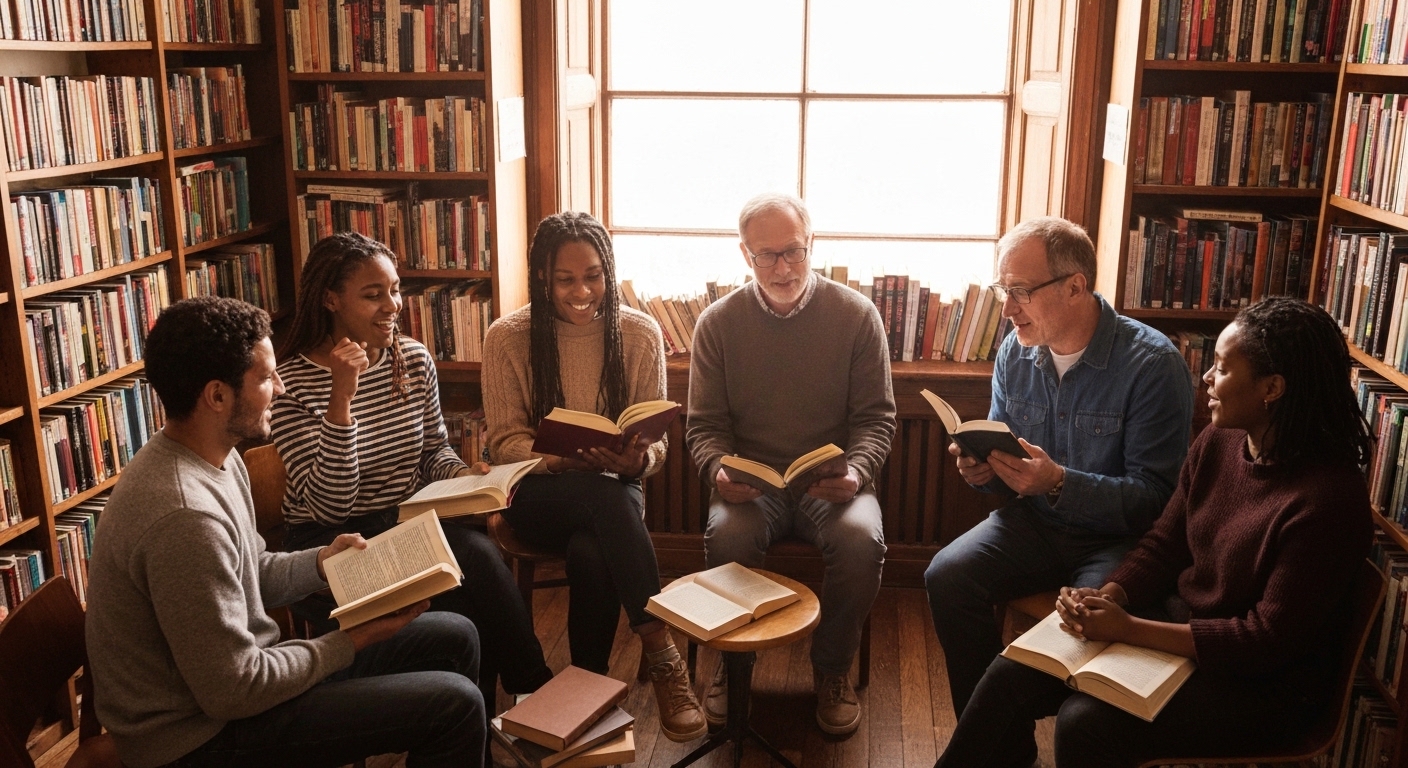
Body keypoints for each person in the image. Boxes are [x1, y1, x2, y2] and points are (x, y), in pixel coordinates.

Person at [936, 296, 1376, 767]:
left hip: (1263, 686)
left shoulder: (1328, 501)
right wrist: (1107, 596)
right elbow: (1165, 544)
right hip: (1179, 630)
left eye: (1224, 368)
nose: (1207, 378)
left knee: (1084, 722)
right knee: (1013, 672)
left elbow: (1264, 641)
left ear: (1272, 387)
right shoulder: (1219, 441)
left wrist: (1129, 628)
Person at [85, 297, 486, 768]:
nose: (280, 388)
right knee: (455, 705)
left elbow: (249, 572)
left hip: (238, 688)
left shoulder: (212, 455)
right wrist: (351, 641)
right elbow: (234, 691)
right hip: (197, 738)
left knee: (456, 634)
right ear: (217, 396)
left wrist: (321, 562)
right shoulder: (185, 517)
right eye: (266, 377)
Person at [924, 217, 1194, 717]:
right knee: (947, 576)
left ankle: (1008, 732)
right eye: (1003, 290)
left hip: (1118, 540)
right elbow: (1010, 461)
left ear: (1075, 287)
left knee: (1086, 617)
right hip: (1035, 523)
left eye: (1021, 292)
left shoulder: (1153, 365)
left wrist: (1060, 483)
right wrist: (983, 471)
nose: (1007, 309)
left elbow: (1158, 501)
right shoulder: (1015, 351)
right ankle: (995, 741)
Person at [270, 231, 553, 696]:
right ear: (330, 299)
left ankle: (526, 698)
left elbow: (431, 451)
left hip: (402, 524)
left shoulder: (412, 359)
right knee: (464, 602)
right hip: (332, 541)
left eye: (395, 290)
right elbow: (329, 505)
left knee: (479, 560)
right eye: (373, 295)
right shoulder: (290, 385)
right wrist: (341, 398)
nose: (393, 306)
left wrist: (462, 476)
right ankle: (523, 700)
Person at [480, 211, 705, 742]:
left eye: (593, 276)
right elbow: (504, 443)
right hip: (535, 492)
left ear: (609, 271)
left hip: (615, 489)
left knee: (594, 546)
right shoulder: (507, 337)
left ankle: (588, 690)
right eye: (566, 279)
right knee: (604, 500)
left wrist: (638, 461)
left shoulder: (639, 333)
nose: (582, 292)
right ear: (542, 276)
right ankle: (660, 648)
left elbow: (656, 441)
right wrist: (559, 460)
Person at [685, 192, 895, 736]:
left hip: (832, 483)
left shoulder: (856, 315)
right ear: (744, 254)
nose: (782, 268)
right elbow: (704, 427)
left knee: (861, 541)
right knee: (728, 537)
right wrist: (718, 471)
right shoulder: (718, 323)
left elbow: (876, 420)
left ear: (812, 245)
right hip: (753, 488)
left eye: (794, 252)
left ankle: (832, 670)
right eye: (766, 256)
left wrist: (856, 473)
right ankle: (734, 669)